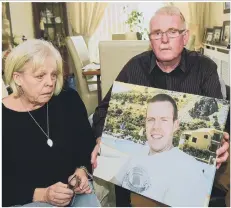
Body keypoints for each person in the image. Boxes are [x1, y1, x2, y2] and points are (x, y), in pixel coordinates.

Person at [91, 6, 230, 207]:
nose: (164, 40)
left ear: (185, 36)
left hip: (197, 158)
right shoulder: (134, 68)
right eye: (157, 33)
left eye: (172, 32)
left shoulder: (204, 67)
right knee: (146, 193)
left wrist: (223, 137)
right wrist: (102, 138)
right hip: (150, 159)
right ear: (150, 39)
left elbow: (219, 117)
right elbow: (103, 111)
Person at [2, 39, 100, 207]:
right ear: (17, 78)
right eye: (40, 76)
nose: (50, 82)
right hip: (29, 200)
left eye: (53, 75)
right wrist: (43, 194)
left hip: (74, 193)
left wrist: (81, 172)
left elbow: (86, 146)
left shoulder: (68, 100)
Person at [105, 94, 215, 207]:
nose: (156, 127)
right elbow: (116, 181)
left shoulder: (189, 168)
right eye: (151, 119)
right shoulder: (138, 154)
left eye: (164, 120)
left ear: (175, 125)